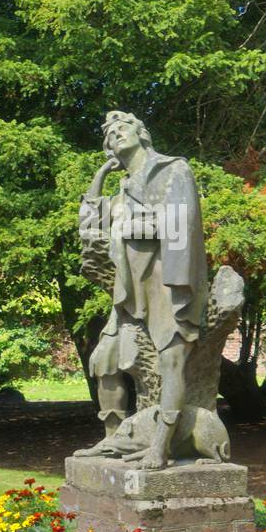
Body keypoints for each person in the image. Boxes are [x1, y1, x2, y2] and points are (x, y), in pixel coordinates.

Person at [77, 110, 208, 468]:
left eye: (123, 127)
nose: (116, 133)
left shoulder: (172, 170)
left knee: (171, 361)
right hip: (129, 288)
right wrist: (102, 174)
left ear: (142, 133)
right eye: (110, 134)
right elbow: (90, 228)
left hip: (167, 281)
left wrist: (130, 228)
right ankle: (113, 441)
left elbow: (182, 229)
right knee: (104, 359)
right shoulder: (121, 190)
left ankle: (160, 447)